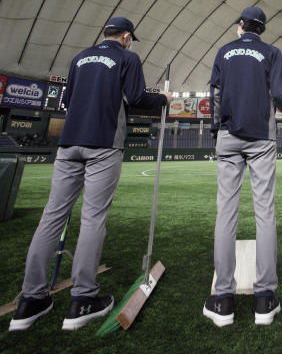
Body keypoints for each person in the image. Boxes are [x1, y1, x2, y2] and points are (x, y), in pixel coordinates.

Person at [9, 17, 169, 332]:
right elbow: (137, 99)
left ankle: (30, 300)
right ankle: (82, 299)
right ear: (126, 36)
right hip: (104, 143)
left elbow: (67, 101)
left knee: (52, 216)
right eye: (130, 38)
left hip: (69, 143)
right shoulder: (128, 57)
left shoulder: (80, 58)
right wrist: (162, 99)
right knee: (93, 218)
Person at [203, 7, 282, 328]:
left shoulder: (224, 51)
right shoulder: (272, 52)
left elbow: (216, 93)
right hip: (261, 138)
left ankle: (223, 299)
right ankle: (265, 299)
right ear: (262, 29)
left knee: (226, 214)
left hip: (228, 135)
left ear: (241, 26)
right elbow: (279, 95)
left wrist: (216, 131)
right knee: (265, 213)